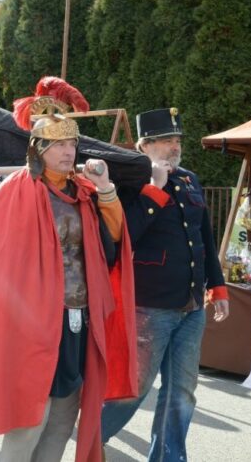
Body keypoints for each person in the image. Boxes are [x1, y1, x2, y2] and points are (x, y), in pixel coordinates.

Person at [0, 86, 138, 462]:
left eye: (72, 145)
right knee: (30, 416)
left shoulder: (83, 192)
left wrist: (107, 189)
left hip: (78, 317)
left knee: (64, 416)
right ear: (37, 149)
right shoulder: (15, 193)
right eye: (57, 145)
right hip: (31, 324)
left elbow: (110, 242)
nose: (68, 152)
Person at [99, 108, 230, 462]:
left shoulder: (189, 180)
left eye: (176, 140)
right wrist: (154, 188)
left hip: (190, 306)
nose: (174, 147)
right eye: (166, 141)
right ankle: (92, 442)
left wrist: (217, 287)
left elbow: (204, 238)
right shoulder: (129, 182)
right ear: (145, 145)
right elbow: (124, 234)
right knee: (134, 388)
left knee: (182, 391)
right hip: (149, 304)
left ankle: (169, 457)